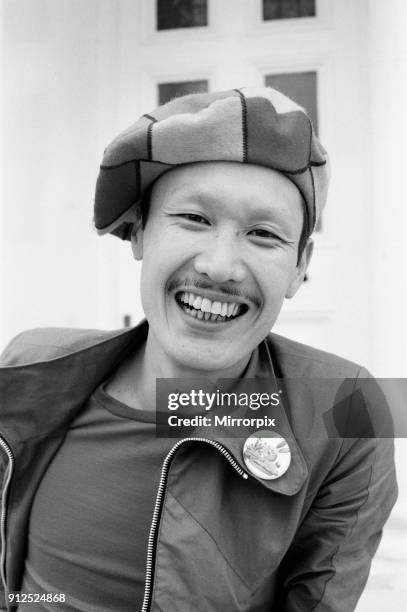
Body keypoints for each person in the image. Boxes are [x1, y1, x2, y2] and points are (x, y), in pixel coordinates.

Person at [0, 87, 397, 612]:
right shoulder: (30, 365)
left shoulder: (347, 412)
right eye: (194, 219)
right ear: (139, 232)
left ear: (301, 267)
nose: (219, 266)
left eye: (262, 233)